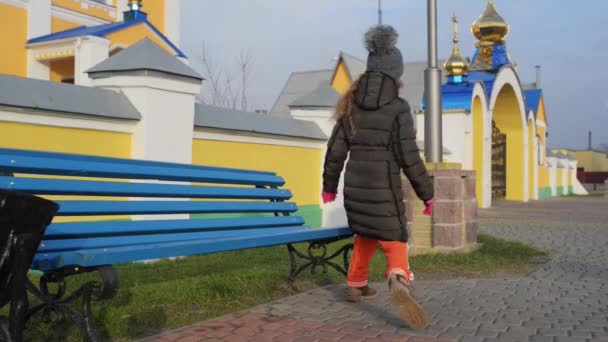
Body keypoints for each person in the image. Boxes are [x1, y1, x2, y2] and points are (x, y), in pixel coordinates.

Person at [322, 25, 435, 330]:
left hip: (356, 191)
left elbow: (335, 151)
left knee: (365, 235)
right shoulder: (398, 108)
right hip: (384, 190)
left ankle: (356, 284)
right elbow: (408, 155)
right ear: (395, 76)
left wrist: (329, 188)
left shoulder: (350, 105)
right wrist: (427, 193)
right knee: (395, 239)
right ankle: (399, 281)